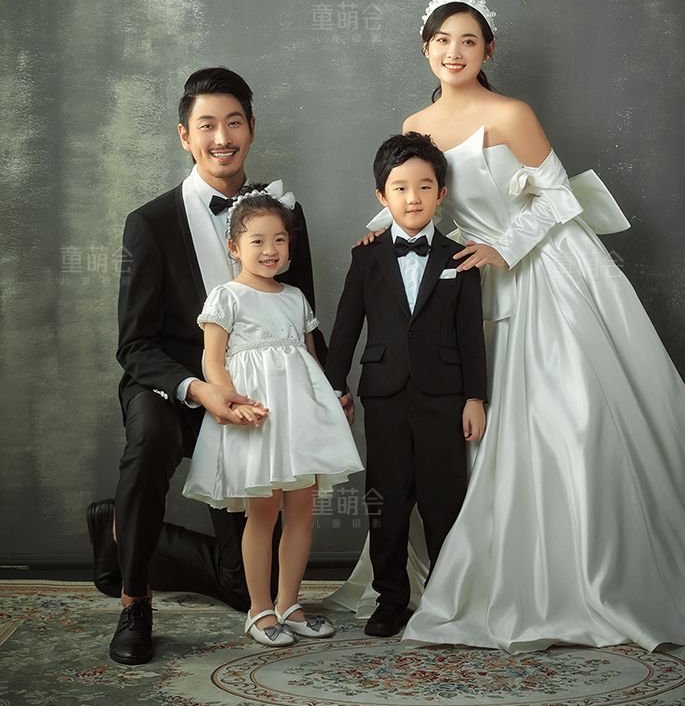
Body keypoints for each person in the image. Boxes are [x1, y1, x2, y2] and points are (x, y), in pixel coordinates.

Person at [332, 0, 685, 652]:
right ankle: (451, 572)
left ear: (488, 50)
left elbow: (559, 197)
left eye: (468, 40)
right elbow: (417, 193)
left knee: (569, 419)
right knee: (449, 427)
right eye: (442, 40)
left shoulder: (512, 113)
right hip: (460, 280)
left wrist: (504, 248)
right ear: (426, 48)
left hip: (532, 270)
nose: (454, 52)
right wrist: (378, 232)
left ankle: (573, 576)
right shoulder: (417, 121)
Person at [86, 67, 325, 665]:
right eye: (207, 125)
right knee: (148, 446)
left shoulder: (284, 212)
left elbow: (301, 317)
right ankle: (134, 600)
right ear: (184, 136)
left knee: (246, 587)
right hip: (173, 384)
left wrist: (328, 390)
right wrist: (198, 389)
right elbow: (135, 345)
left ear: (251, 129)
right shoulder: (150, 223)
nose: (222, 138)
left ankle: (118, 528)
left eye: (234, 123)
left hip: (259, 393)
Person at [183, 188, 362, 646]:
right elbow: (213, 360)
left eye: (279, 240)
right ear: (234, 246)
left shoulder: (295, 297)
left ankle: (290, 603)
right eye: (258, 240)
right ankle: (259, 609)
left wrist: (331, 402)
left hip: (299, 419)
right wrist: (231, 401)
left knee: (302, 510)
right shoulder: (227, 297)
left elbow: (309, 360)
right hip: (257, 416)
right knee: (263, 514)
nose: (270, 250)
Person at [325, 133, 487, 638]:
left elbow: (470, 334)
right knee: (386, 500)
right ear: (382, 195)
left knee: (444, 499)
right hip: (384, 394)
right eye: (400, 188)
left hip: (444, 396)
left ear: (442, 194)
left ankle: (444, 597)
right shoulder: (366, 257)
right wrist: (335, 386)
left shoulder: (461, 258)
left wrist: (475, 397)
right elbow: (346, 326)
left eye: (424, 187)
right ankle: (390, 598)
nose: (412, 198)